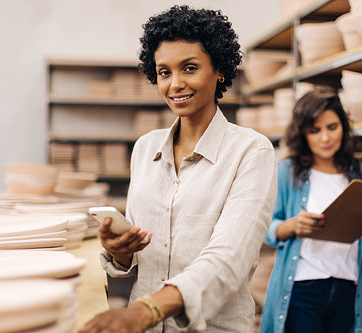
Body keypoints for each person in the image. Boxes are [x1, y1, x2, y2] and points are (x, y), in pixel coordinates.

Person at [79, 5, 277, 333]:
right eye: (164, 72)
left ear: (220, 71)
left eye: (189, 68)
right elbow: (144, 256)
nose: (175, 84)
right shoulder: (146, 148)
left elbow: (229, 259)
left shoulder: (251, 151)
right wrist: (120, 254)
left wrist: (147, 310)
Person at [259, 86, 362, 333]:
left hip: (347, 288)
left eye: (332, 127)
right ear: (302, 134)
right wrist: (292, 226)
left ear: (344, 128)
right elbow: (264, 228)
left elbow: (361, 235)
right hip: (302, 289)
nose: (325, 138)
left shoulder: (357, 172)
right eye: (315, 131)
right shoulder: (288, 172)